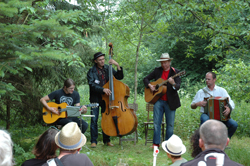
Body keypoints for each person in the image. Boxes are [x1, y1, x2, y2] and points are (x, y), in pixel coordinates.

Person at [143, 53, 181, 147]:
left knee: (170, 125)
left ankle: (168, 145)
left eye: (165, 62)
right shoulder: (157, 71)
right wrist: (150, 86)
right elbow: (145, 79)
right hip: (158, 100)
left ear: (169, 62)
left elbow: (178, 87)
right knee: (156, 123)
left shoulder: (175, 72)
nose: (164, 65)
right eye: (162, 63)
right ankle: (156, 143)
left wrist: (173, 84)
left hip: (170, 102)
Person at [87, 51, 124, 148]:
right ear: (95, 61)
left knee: (107, 119)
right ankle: (93, 141)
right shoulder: (91, 71)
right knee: (94, 119)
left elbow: (120, 77)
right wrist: (103, 89)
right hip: (95, 98)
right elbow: (91, 85)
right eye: (100, 60)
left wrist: (117, 65)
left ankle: (107, 140)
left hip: (107, 99)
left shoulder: (108, 68)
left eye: (103, 59)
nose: (102, 61)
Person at [191, 71, 238, 138]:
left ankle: (224, 141)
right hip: (207, 114)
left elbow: (230, 102)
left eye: (209, 79)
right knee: (204, 120)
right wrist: (197, 104)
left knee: (234, 124)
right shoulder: (201, 92)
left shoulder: (221, 90)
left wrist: (229, 109)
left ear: (214, 79)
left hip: (220, 115)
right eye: (206, 79)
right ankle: (204, 142)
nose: (207, 81)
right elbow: (192, 106)